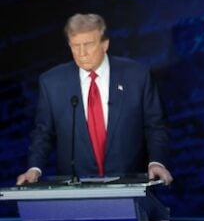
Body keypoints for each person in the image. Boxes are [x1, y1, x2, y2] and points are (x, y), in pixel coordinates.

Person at [16, 13, 172, 185]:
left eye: (88, 44)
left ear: (105, 44)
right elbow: (43, 133)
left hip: (130, 183)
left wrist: (157, 162)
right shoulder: (52, 82)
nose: (82, 53)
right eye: (75, 46)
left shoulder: (137, 76)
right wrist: (34, 168)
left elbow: (155, 126)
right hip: (75, 189)